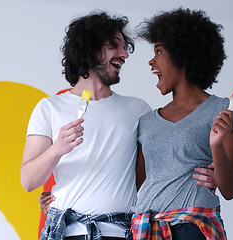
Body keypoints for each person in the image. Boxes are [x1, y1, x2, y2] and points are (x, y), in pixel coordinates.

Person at [21, 12, 151, 240]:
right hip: (66, 233)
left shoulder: (138, 110)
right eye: (114, 46)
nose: (123, 54)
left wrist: (209, 174)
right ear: (88, 50)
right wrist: (57, 148)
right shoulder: (49, 108)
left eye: (124, 47)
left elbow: (157, 167)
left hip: (119, 233)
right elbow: (29, 181)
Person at [131, 8, 233, 240]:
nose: (151, 61)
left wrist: (216, 147)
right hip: (145, 228)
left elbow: (230, 189)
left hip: (192, 227)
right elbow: (133, 183)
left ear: (183, 55)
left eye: (159, 51)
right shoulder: (146, 122)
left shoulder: (224, 110)